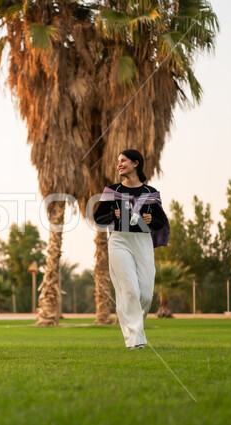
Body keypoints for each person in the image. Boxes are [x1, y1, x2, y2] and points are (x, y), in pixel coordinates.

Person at [94, 149, 169, 349]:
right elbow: (98, 219)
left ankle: (135, 328)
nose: (119, 164)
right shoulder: (111, 191)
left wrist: (151, 219)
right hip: (119, 242)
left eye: (123, 161)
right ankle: (135, 341)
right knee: (129, 289)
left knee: (145, 294)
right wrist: (112, 213)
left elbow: (161, 221)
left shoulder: (150, 193)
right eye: (118, 161)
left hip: (143, 242)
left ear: (136, 163)